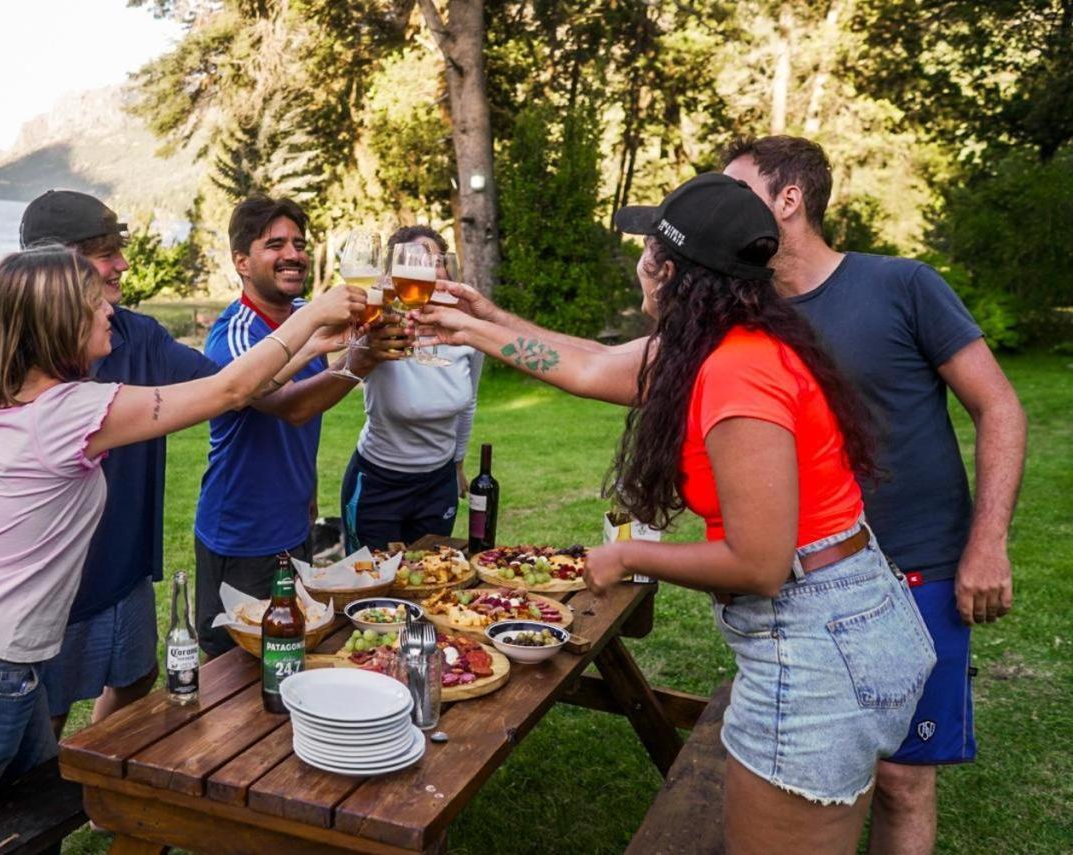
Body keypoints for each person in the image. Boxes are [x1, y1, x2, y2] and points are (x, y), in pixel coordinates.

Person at [419, 173, 936, 853]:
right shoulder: (722, 342)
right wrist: (479, 319)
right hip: (847, 621)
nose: (639, 264)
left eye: (646, 251)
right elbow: (589, 363)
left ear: (665, 269)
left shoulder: (736, 371)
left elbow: (759, 564)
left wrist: (627, 554)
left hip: (815, 647)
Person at [0, 247, 360, 851]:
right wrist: (311, 315)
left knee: (17, 824)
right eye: (93, 304)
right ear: (59, 323)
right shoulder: (72, 412)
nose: (111, 308)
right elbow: (229, 389)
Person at [721, 136, 1027, 854]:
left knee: (903, 779)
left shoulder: (902, 284)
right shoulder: (749, 313)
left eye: (735, 190)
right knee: (818, 771)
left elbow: (1000, 406)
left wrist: (987, 543)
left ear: (788, 199)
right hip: (806, 587)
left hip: (917, 566)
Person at [0, 189, 221, 740]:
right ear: (53, 265)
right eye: (105, 252)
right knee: (44, 717)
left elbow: (224, 384)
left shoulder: (133, 334)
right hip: (45, 596)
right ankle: (52, 805)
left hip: (124, 573)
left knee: (137, 680)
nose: (122, 265)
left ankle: (89, 782)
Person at [194, 196, 404, 657]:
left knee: (291, 645)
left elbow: (314, 402)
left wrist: (385, 321)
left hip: (294, 520)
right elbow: (292, 408)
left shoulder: (309, 313)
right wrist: (362, 361)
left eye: (299, 243)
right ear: (242, 262)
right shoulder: (234, 335)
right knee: (233, 663)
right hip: (243, 529)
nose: (293, 254)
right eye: (275, 244)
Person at [341, 225, 483, 551]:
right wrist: (365, 339)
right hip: (378, 483)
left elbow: (469, 402)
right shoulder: (381, 328)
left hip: (438, 483)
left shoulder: (466, 334)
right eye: (415, 261)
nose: (428, 269)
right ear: (393, 275)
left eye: (435, 261)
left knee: (432, 582)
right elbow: (342, 363)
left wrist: (458, 463)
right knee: (373, 588)